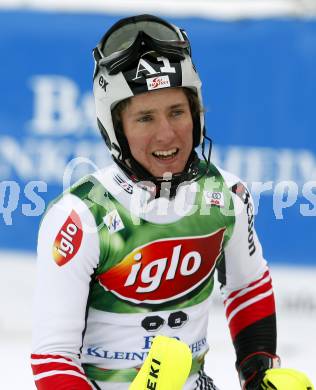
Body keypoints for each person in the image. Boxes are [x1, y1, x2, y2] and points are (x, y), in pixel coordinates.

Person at [30, 14, 312, 390]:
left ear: (196, 114)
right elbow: (53, 358)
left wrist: (258, 372)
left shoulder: (227, 196)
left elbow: (248, 286)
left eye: (177, 112)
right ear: (116, 130)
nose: (167, 133)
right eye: (145, 118)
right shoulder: (80, 217)